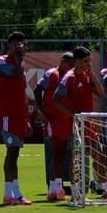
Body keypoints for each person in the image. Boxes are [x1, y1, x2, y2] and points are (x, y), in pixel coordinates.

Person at [52, 47, 107, 200]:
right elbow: (56, 99)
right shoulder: (69, 78)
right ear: (76, 61)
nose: (88, 63)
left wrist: (92, 74)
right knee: (77, 157)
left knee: (99, 154)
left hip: (89, 122)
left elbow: (101, 93)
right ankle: (76, 191)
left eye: (89, 60)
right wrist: (73, 115)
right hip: (77, 124)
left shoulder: (86, 75)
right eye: (85, 61)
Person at [0, 32, 32, 205]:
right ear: (9, 45)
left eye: (22, 44)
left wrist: (27, 118)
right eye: (17, 44)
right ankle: (8, 193)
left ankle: (15, 192)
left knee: (15, 153)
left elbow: (22, 91)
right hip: (7, 115)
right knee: (11, 153)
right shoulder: (2, 61)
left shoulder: (20, 65)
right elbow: (15, 74)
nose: (20, 47)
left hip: (19, 116)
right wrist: (20, 57)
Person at [35, 52, 74, 199]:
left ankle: (53, 189)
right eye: (69, 64)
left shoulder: (69, 77)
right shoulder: (52, 74)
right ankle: (57, 188)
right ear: (62, 61)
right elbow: (38, 90)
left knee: (62, 153)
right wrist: (43, 112)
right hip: (54, 119)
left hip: (65, 120)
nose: (71, 67)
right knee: (57, 153)